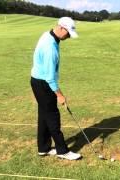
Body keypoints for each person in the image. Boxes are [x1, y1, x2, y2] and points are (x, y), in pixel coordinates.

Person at [30, 17, 81, 160]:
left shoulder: (47, 34)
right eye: (68, 33)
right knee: (53, 117)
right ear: (61, 28)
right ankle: (62, 151)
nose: (69, 37)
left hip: (37, 80)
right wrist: (59, 95)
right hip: (44, 83)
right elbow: (50, 78)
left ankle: (43, 148)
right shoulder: (50, 48)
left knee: (44, 115)